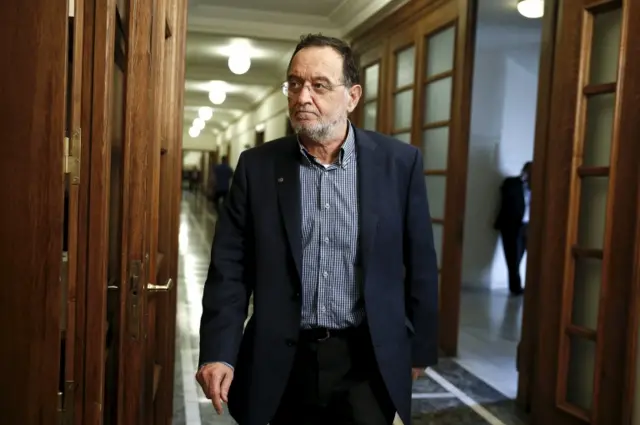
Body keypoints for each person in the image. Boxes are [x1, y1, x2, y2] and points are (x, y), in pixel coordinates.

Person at [196, 33, 439, 425]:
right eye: (294, 83)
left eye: (319, 85)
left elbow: (421, 262)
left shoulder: (398, 164)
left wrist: (420, 348)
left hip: (366, 361)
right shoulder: (257, 168)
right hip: (280, 360)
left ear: (353, 96)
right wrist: (219, 351)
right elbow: (230, 269)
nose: (302, 96)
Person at [494, 161, 532, 295]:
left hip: (529, 227)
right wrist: (523, 181)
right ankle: (516, 288)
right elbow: (507, 196)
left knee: (531, 258)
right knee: (513, 259)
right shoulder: (512, 183)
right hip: (512, 227)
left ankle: (531, 287)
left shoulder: (538, 188)